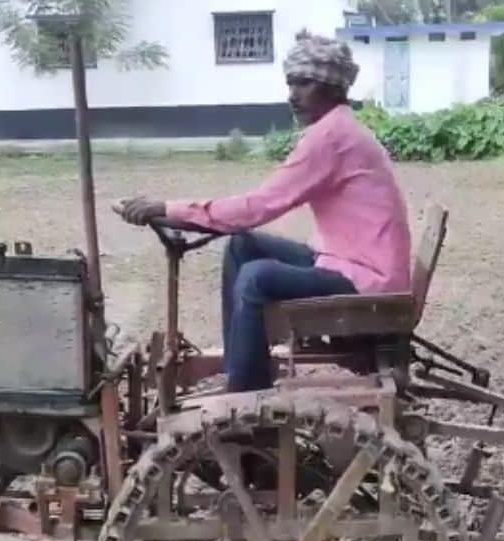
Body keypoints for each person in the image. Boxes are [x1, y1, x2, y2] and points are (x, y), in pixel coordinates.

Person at [119, 30, 411, 393]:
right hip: (350, 262)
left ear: (333, 88)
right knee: (242, 246)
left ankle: (245, 395)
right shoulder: (337, 129)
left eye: (304, 83)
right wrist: (176, 211)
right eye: (290, 83)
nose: (292, 95)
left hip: (368, 279)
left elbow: (257, 207)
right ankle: (239, 367)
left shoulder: (331, 137)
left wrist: (170, 208)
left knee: (256, 278)